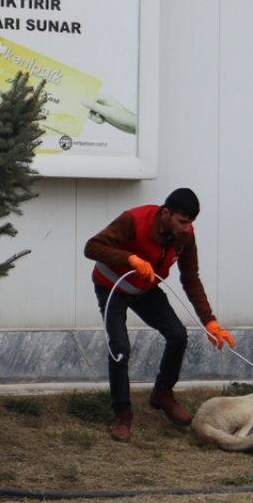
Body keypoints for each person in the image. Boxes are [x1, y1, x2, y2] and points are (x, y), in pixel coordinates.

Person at [85, 188, 235, 442]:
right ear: (166, 213)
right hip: (111, 288)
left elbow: (190, 278)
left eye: (191, 223)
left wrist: (210, 321)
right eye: (182, 221)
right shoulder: (134, 221)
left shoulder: (185, 236)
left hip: (146, 290)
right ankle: (122, 413)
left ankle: (162, 394)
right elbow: (92, 247)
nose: (187, 228)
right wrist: (129, 259)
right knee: (120, 347)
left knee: (178, 335)